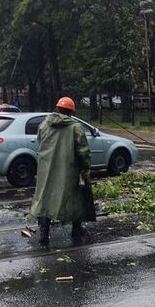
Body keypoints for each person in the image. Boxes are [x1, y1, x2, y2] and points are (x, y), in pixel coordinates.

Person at [30, 96, 95, 246]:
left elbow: (40, 142)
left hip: (46, 170)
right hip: (69, 170)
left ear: (57, 109)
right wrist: (86, 167)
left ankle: (44, 233)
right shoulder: (75, 127)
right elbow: (83, 151)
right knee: (75, 198)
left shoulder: (44, 125)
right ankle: (76, 229)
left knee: (45, 199)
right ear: (71, 112)